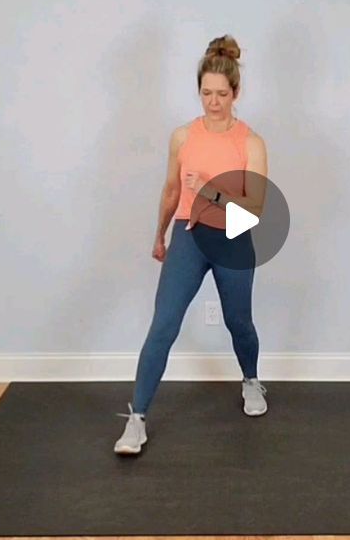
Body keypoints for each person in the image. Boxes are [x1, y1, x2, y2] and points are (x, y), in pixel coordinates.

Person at [114, 34, 269, 455]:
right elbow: (169, 190)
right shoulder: (183, 136)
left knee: (240, 323)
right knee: (163, 324)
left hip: (233, 237)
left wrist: (210, 192)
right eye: (206, 93)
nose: (213, 102)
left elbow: (254, 208)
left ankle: (251, 381)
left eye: (221, 94)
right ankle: (137, 418)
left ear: (235, 93)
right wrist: (159, 233)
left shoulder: (250, 143)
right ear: (198, 90)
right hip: (188, 234)